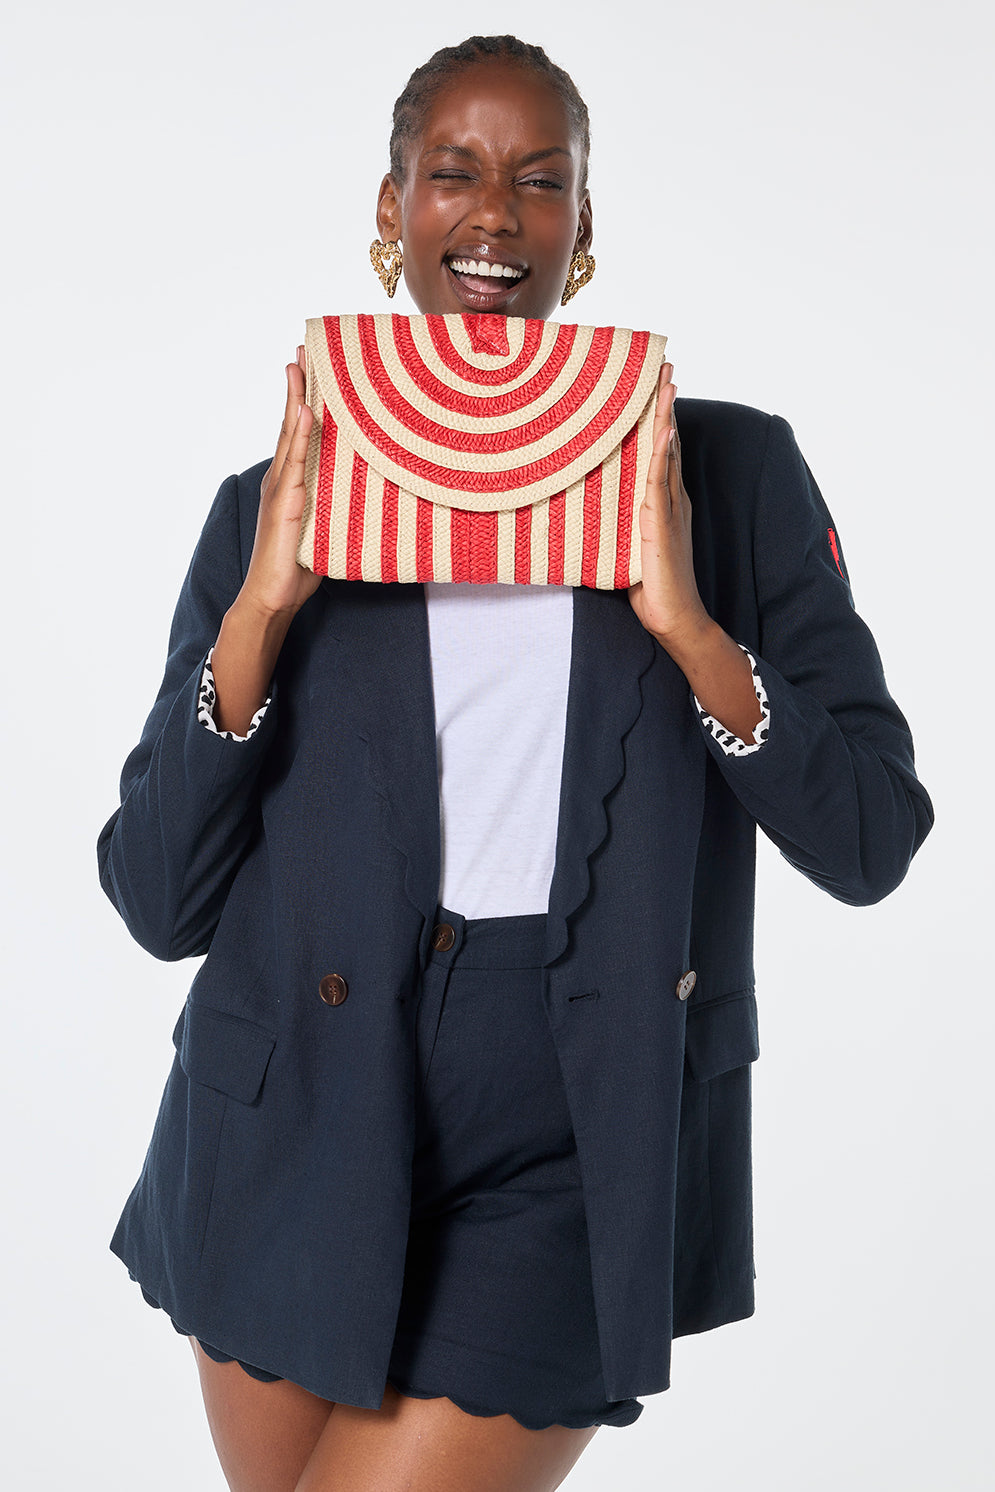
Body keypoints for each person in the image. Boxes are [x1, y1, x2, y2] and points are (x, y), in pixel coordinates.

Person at [97, 33, 933, 1492]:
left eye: (542, 184)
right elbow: (157, 898)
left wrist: (686, 626)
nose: (495, 216)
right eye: (454, 175)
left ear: (585, 230)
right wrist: (264, 607)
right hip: (290, 1103)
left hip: (571, 1106)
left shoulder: (725, 478)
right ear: (391, 209)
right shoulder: (275, 500)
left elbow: (870, 840)